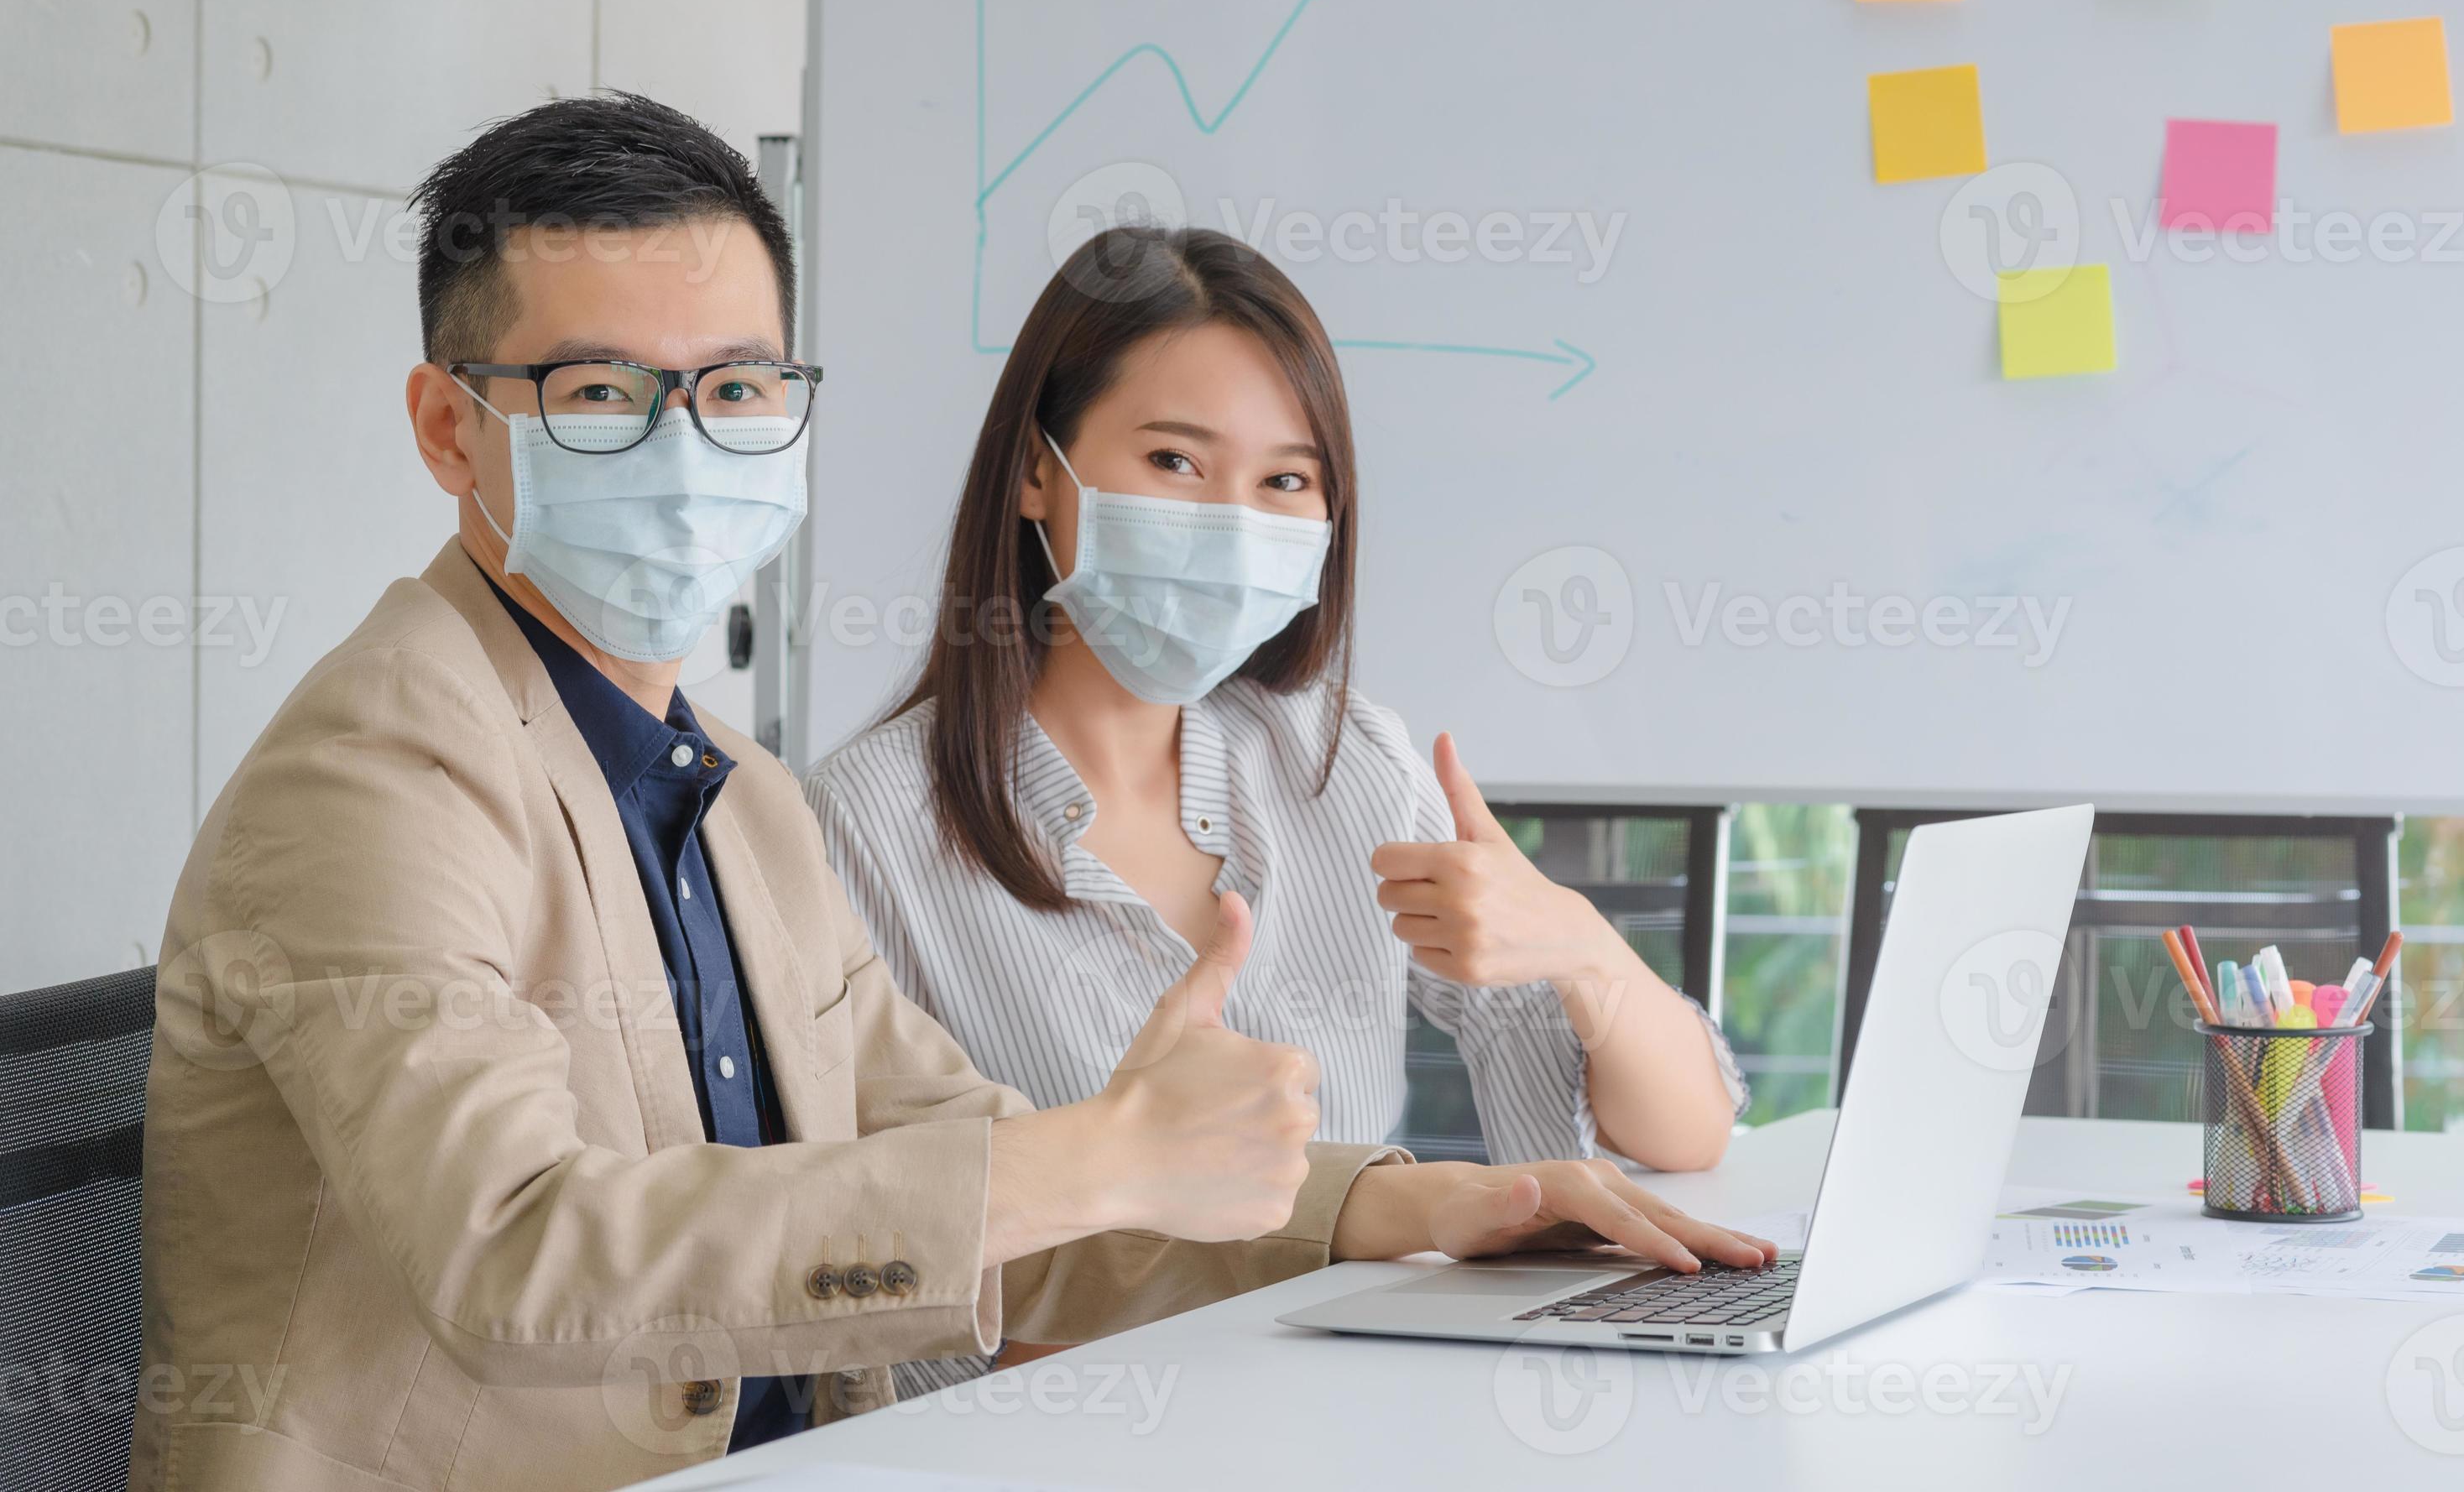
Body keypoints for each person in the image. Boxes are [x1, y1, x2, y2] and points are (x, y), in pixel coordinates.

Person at [131, 95, 1772, 1492]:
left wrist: (1426, 1205)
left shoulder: (736, 798)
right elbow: (522, 1257)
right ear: (445, 425)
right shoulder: (374, 778)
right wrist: (1107, 1155)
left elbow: (971, 1174)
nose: (687, 443)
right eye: (601, 392)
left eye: (737, 387)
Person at [805, 226, 1752, 1390]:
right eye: (1174, 463)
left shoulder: (1344, 763)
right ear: (1036, 471)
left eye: (1285, 481)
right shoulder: (862, 824)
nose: (1231, 522)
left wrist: (1582, 949)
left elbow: (1680, 1137)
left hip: (1357, 1417)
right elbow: (891, 1272)